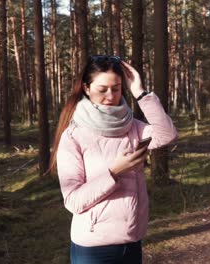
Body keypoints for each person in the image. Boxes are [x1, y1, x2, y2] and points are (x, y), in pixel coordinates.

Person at [49, 55, 178, 263]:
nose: (110, 96)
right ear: (86, 88)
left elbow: (167, 134)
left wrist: (140, 92)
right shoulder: (74, 136)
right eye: (102, 89)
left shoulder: (133, 127)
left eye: (116, 88)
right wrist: (113, 172)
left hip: (132, 242)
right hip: (94, 249)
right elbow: (72, 201)